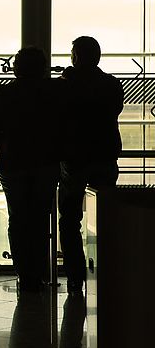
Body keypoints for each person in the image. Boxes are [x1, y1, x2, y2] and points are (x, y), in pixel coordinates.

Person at [0, 47, 62, 292]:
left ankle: (23, 271)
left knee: (17, 218)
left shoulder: (4, 93)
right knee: (40, 219)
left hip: (13, 163)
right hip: (45, 163)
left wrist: (1, 149)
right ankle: (39, 271)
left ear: (17, 68)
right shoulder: (53, 92)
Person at [57, 36, 124, 294]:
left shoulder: (67, 85)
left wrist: (68, 80)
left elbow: (63, 113)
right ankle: (102, 272)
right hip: (105, 157)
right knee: (104, 217)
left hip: (74, 160)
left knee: (70, 219)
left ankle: (76, 276)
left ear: (77, 57)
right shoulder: (111, 85)